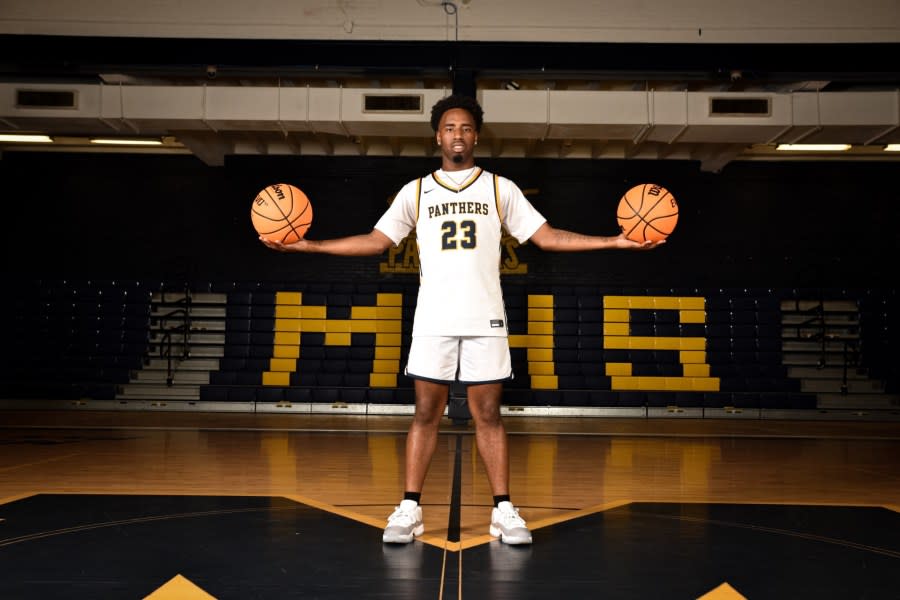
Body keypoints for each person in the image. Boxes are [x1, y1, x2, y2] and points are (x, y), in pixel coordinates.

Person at [260, 94, 664, 545]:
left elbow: (547, 238)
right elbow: (376, 241)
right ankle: (410, 509)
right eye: (450, 127)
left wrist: (614, 242)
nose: (458, 135)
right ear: (438, 135)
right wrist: (312, 247)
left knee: (488, 414)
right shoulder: (415, 191)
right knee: (425, 413)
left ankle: (503, 511)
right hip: (433, 318)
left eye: (467, 128)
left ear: (476, 136)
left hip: (484, 319)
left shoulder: (499, 188)